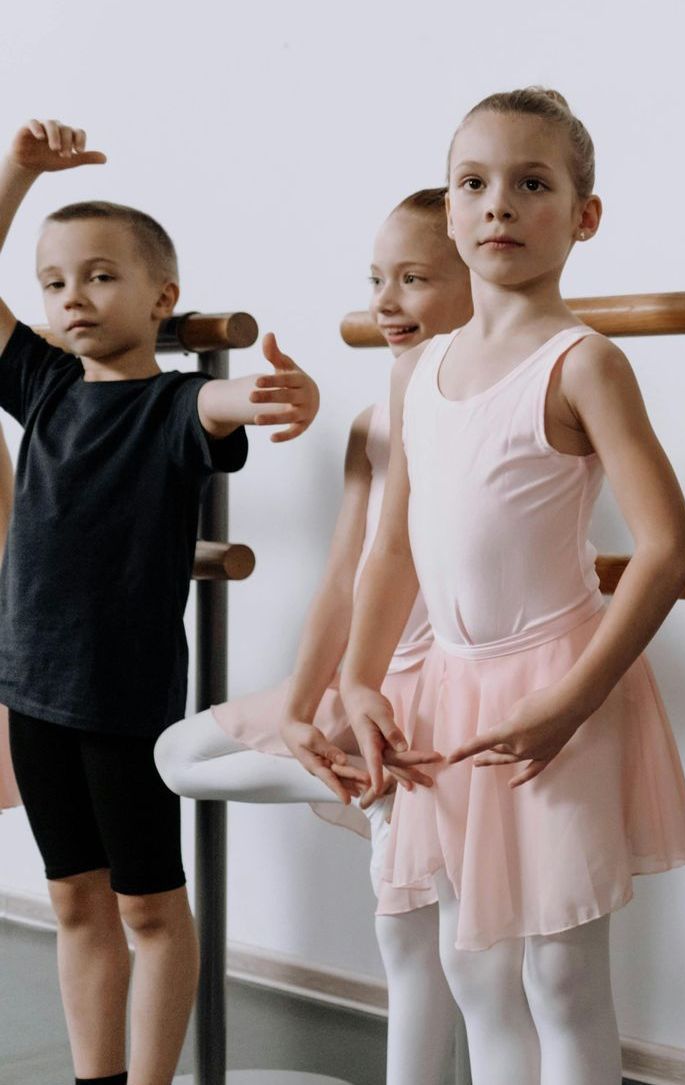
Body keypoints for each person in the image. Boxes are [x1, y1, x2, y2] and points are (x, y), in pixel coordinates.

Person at [333, 87, 685, 1084]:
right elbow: (394, 547)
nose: (498, 204)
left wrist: (566, 703)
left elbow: (670, 549)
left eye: (531, 183)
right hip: (446, 692)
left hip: (556, 692)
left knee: (561, 972)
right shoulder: (422, 368)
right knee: (469, 957)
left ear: (583, 216)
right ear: (450, 212)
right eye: (475, 182)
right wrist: (361, 678)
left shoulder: (583, 364)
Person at [0, 117, 318, 1085]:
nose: (72, 296)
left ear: (161, 296)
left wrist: (278, 395)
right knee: (75, 902)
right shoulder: (46, 386)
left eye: (100, 275)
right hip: (32, 689)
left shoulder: (177, 405)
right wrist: (15, 172)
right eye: (55, 281)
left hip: (125, 700)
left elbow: (228, 406)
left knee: (147, 905)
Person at [152, 185, 473, 1085]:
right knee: (179, 753)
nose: (385, 299)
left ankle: (380, 793)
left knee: (431, 947)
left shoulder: (480, 412)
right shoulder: (373, 424)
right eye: (377, 277)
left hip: (441, 690)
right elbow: (345, 576)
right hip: (359, 681)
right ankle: (366, 791)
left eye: (414, 277)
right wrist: (301, 709)